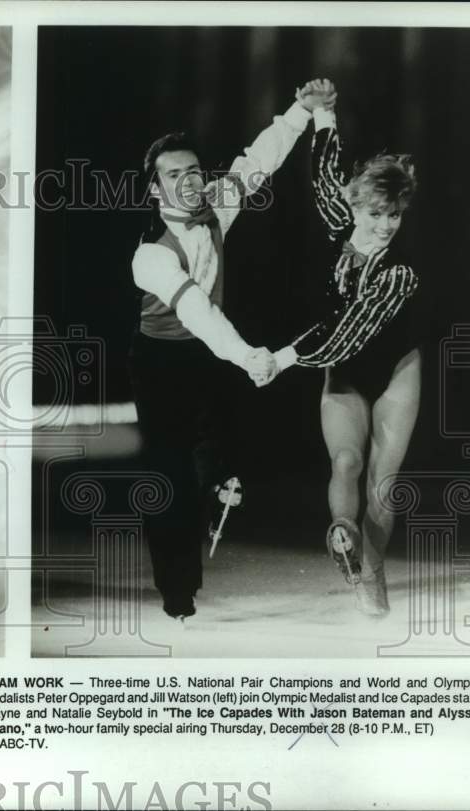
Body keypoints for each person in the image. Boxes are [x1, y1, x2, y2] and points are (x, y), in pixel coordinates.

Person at [128, 80, 335, 621]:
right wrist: (250, 357)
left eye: (194, 171)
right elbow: (198, 311)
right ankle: (176, 587)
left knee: (200, 470)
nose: (190, 182)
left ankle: (213, 493)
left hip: (205, 358)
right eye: (174, 175)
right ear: (155, 190)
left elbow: (257, 161)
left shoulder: (216, 208)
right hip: (160, 363)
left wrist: (302, 110)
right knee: (169, 476)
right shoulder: (150, 255)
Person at [266, 80, 421, 617]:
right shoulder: (342, 225)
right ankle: (345, 539)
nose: (384, 226)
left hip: (397, 369)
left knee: (384, 481)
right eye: (376, 214)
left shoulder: (399, 271)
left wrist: (283, 358)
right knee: (348, 460)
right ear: (355, 208)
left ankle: (372, 574)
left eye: (394, 216)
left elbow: (348, 326)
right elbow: (325, 174)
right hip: (344, 375)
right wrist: (324, 113)